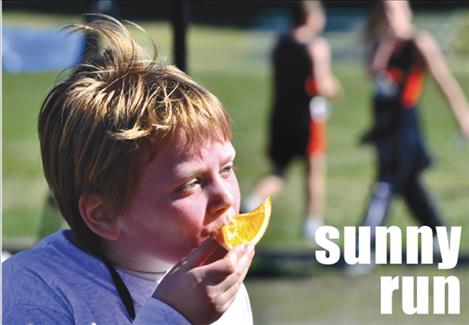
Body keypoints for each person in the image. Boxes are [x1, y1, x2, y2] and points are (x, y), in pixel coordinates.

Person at [3, 16, 254, 324]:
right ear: (103, 214)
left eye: (227, 168)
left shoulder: (219, 283)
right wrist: (173, 317)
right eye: (190, 183)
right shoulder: (35, 287)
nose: (225, 197)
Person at [359, 1, 469, 256]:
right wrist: (385, 43)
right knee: (410, 186)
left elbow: (444, 81)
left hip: (405, 125)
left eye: (395, 10)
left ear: (407, 12)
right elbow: (373, 74)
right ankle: (443, 235)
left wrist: (463, 118)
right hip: (384, 125)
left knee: (385, 185)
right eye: (385, 11)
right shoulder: (380, 44)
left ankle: (364, 249)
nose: (390, 17)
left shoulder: (419, 42)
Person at [243, 0, 341, 240]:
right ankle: (312, 222)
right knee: (314, 170)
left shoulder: (281, 44)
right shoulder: (316, 46)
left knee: (279, 169)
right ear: (313, 17)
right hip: (308, 117)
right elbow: (320, 83)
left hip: (280, 114)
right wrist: (335, 90)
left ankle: (254, 200)